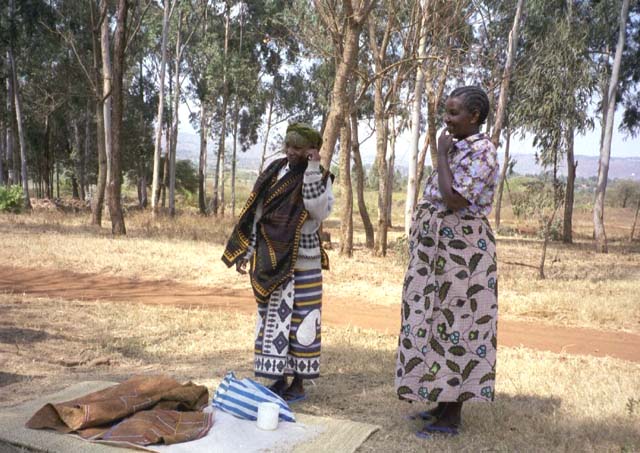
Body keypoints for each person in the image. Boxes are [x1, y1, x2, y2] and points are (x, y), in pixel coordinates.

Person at [395, 86, 499, 438]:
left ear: (474, 117)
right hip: (436, 254)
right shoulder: (458, 147)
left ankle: (452, 417)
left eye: (454, 114)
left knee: (459, 324)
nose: (447, 119)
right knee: (434, 320)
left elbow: (454, 199)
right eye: (446, 112)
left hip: (462, 254)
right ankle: (440, 401)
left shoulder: (483, 151)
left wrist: (440, 154)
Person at [222, 123, 334, 403]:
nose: (290, 152)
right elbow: (258, 213)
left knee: (303, 321)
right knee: (273, 318)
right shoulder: (275, 172)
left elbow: (317, 210)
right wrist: (247, 251)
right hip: (271, 257)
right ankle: (278, 379)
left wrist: (311, 170)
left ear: (311, 151)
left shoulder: (320, 177)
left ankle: (298, 383)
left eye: (297, 148)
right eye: (288, 146)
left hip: (304, 261)